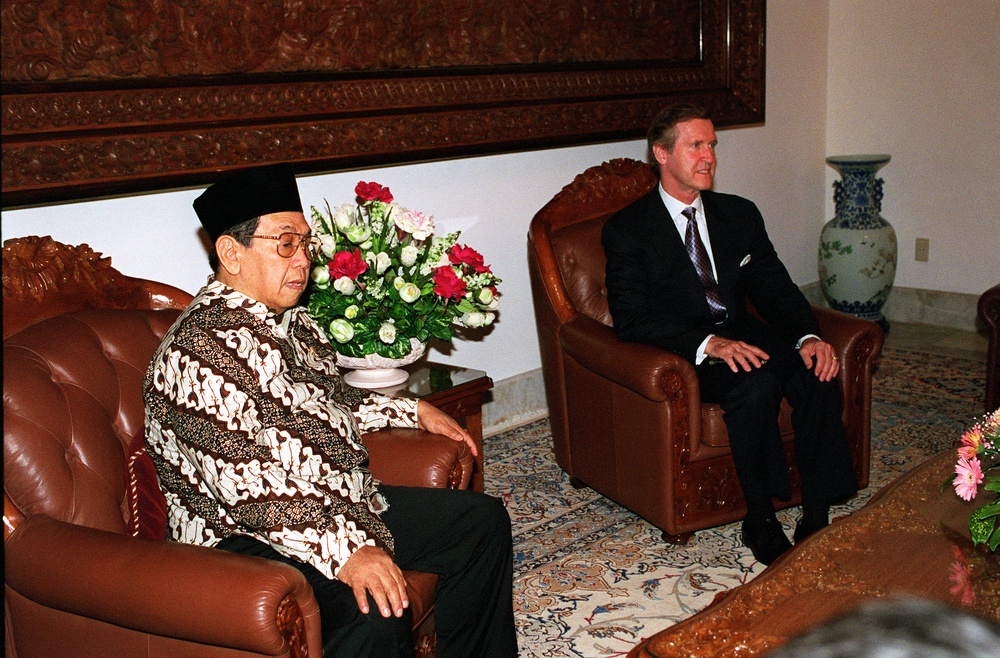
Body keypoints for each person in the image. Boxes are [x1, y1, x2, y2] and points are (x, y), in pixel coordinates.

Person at [143, 164, 517, 657]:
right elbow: (248, 491)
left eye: (305, 243)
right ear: (231, 253)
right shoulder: (196, 354)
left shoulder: (292, 322)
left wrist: (410, 411)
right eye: (284, 244)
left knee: (481, 523)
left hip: (332, 501)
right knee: (378, 608)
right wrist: (345, 551)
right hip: (241, 540)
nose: (302, 261)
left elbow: (332, 405)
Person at [602, 104, 858, 565]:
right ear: (661, 153)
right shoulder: (629, 230)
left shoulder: (738, 215)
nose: (708, 157)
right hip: (688, 348)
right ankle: (759, 518)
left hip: (744, 333)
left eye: (712, 146)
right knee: (754, 387)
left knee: (816, 375)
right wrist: (709, 344)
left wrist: (807, 338)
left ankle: (816, 513)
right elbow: (632, 319)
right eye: (695, 145)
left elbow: (775, 287)